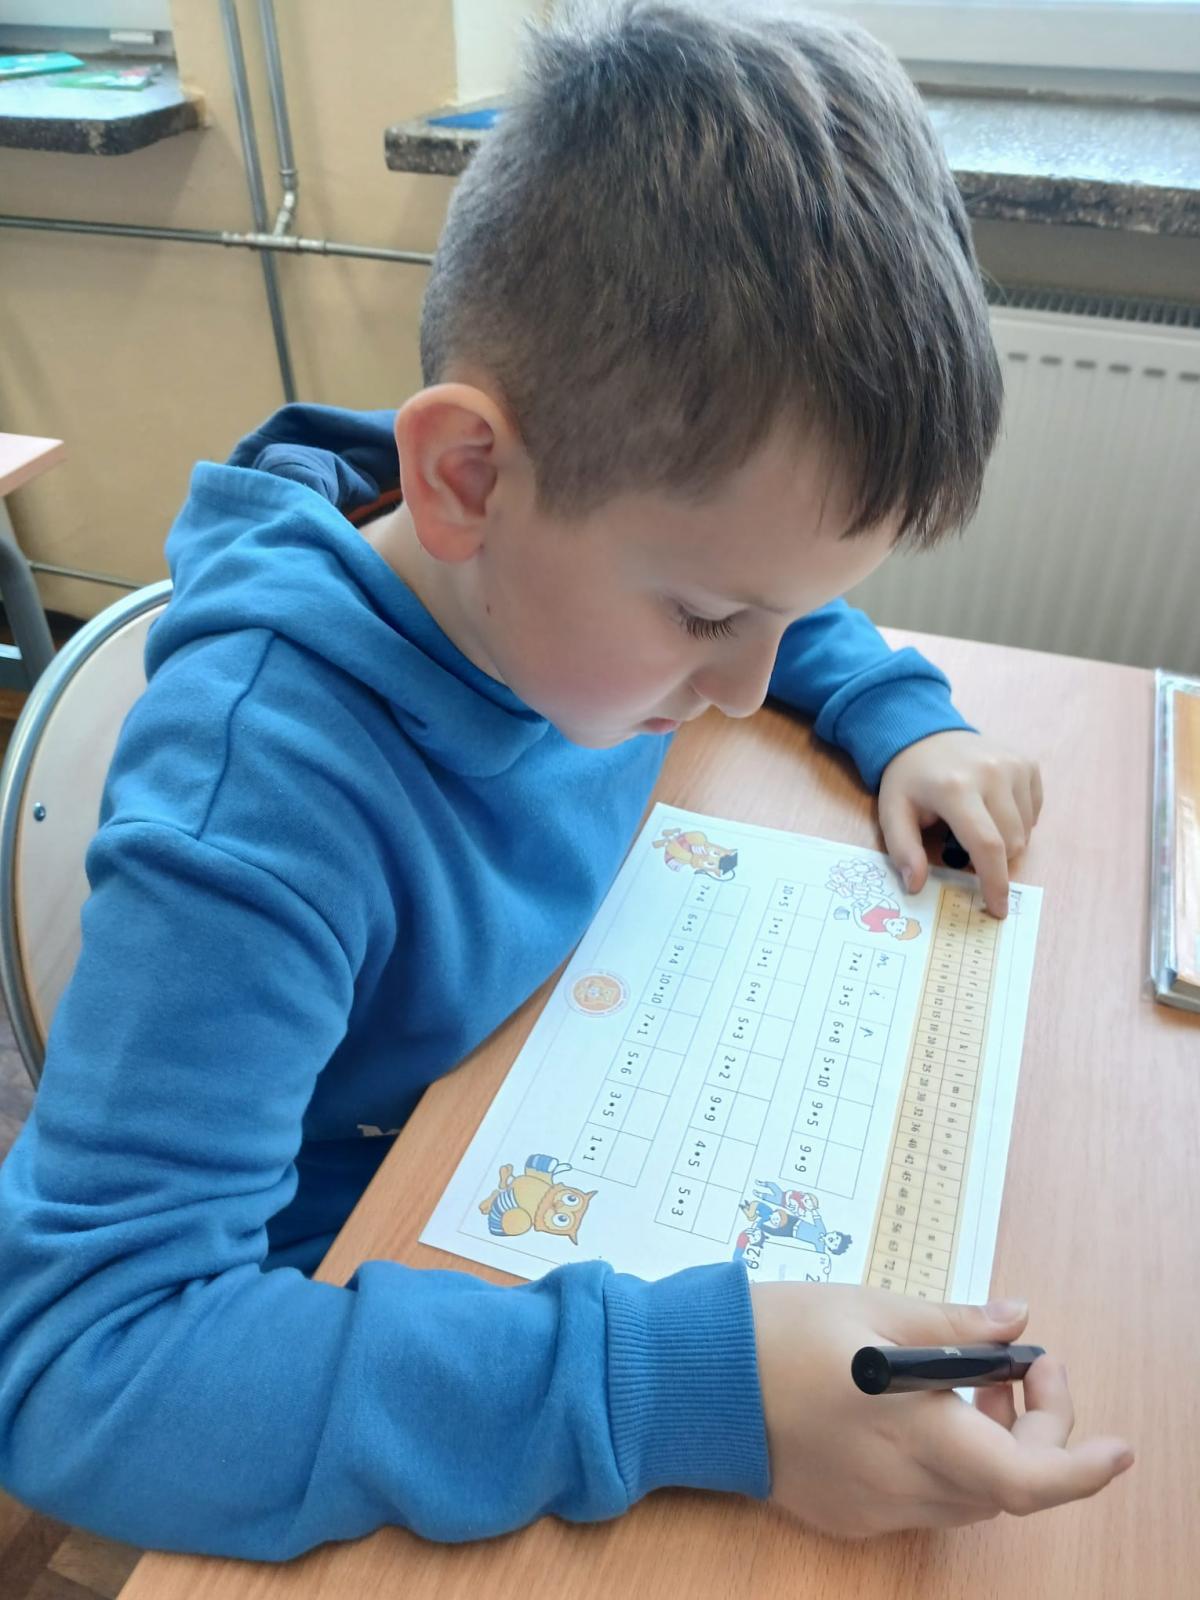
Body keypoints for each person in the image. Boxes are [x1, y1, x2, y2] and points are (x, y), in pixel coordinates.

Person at [0, 0, 1130, 1560]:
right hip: (353, 1301)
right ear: (464, 477)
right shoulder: (260, 800)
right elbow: (79, 1368)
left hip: (540, 1096)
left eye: (785, 616)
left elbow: (761, 577)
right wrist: (690, 1386)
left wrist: (892, 709)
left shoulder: (578, 552)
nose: (746, 683)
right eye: (712, 621)